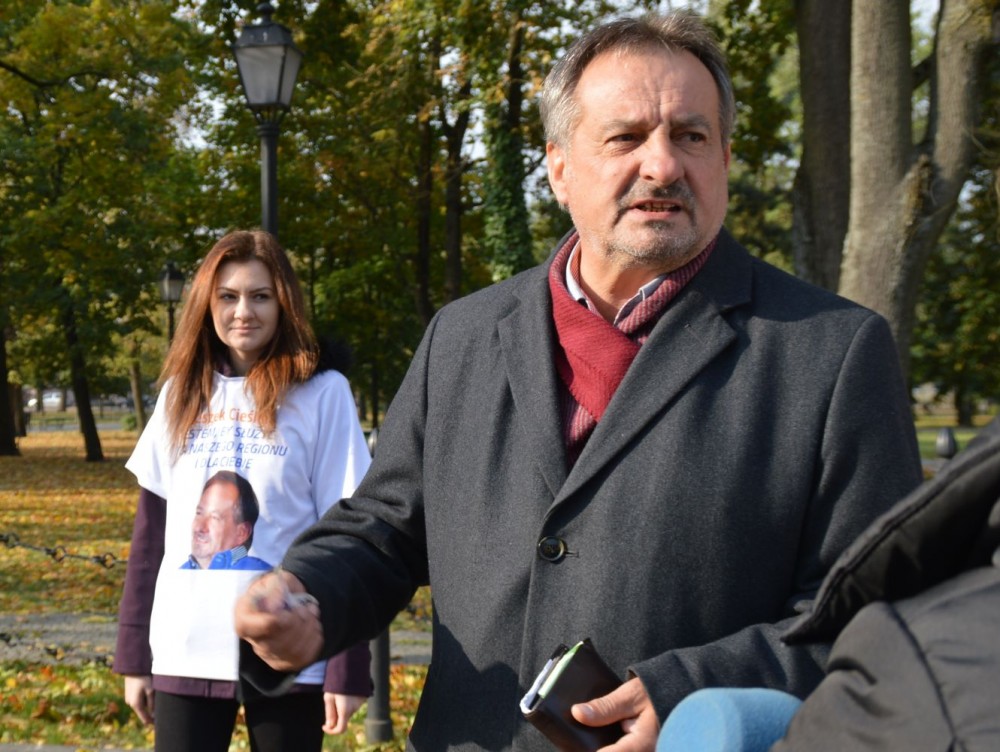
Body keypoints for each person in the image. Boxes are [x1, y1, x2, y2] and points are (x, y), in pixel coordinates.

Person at [235, 11, 924, 751]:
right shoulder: (461, 337)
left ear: (725, 157)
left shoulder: (832, 351)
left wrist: (687, 696)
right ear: (559, 167)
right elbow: (385, 531)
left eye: (691, 136)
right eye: (625, 137)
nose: (662, 165)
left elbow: (873, 617)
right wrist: (307, 594)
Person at [113, 229, 373, 752]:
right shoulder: (178, 394)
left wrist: (347, 665)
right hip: (185, 646)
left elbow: (349, 536)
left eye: (260, 296)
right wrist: (135, 656)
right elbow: (149, 540)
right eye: (227, 296)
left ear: (284, 303)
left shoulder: (323, 393)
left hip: (288, 644)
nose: (243, 312)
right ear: (207, 304)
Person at [181, 471, 271, 570]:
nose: (199, 527)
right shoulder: (180, 573)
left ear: (242, 532)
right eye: (199, 513)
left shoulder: (259, 574)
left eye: (214, 517)